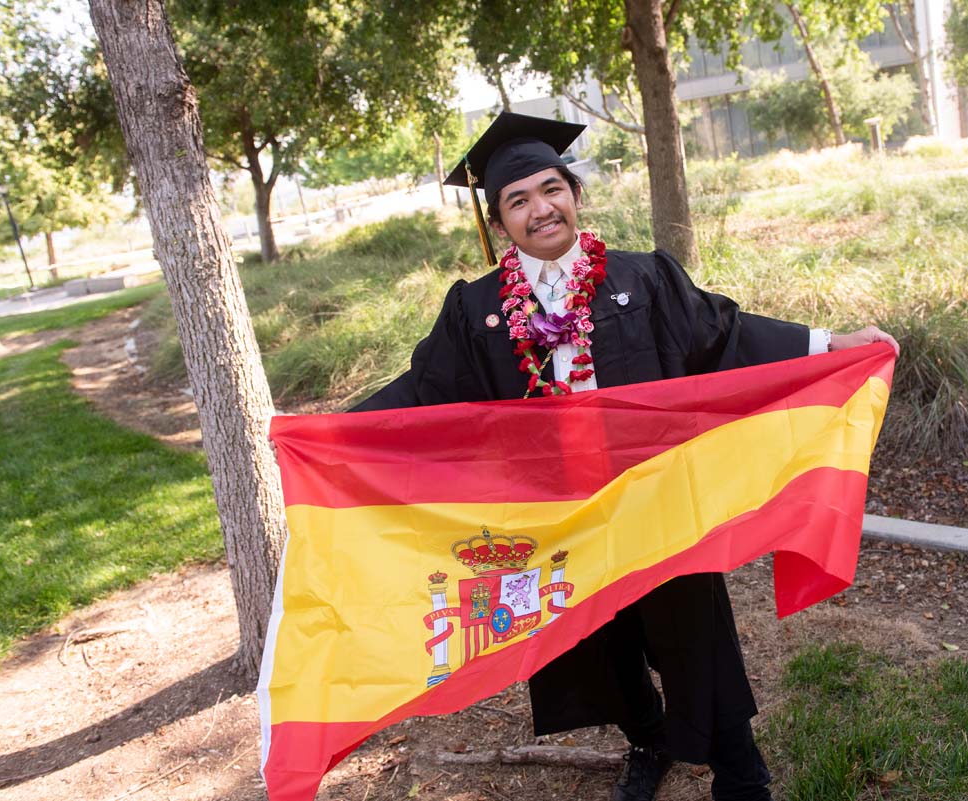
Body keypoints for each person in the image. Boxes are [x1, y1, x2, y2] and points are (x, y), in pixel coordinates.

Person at [350, 112, 898, 801]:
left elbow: (723, 334)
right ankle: (648, 738)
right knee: (593, 641)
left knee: (693, 633)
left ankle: (740, 771)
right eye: (518, 200)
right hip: (559, 518)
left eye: (552, 189)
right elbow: (427, 390)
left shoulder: (642, 279)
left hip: (655, 500)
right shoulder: (475, 310)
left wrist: (832, 343)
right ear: (498, 223)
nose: (541, 209)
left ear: (575, 194)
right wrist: (337, 433)